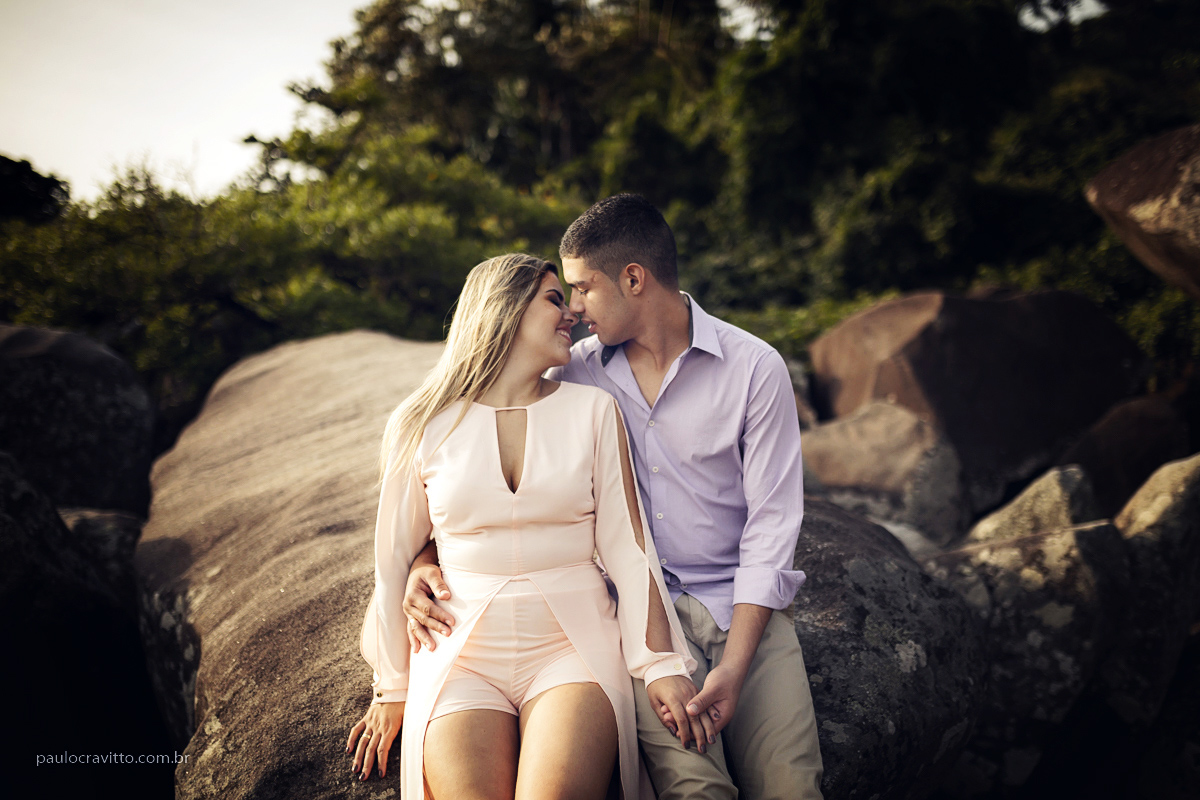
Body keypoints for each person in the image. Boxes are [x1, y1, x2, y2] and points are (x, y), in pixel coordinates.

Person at [403, 195, 825, 799]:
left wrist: (734, 666)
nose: (573, 309)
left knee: (793, 789)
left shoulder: (755, 368)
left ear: (633, 279)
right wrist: (423, 562)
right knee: (696, 793)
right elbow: (473, 474)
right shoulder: (572, 373)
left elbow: (772, 526)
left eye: (582, 288)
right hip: (638, 620)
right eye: (564, 294)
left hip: (743, 610)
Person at [345, 253, 705, 800]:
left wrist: (659, 665)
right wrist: (391, 687)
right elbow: (394, 559)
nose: (572, 314)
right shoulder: (421, 423)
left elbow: (629, 549)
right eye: (554, 299)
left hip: (573, 648)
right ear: (505, 310)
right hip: (458, 651)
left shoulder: (594, 410)